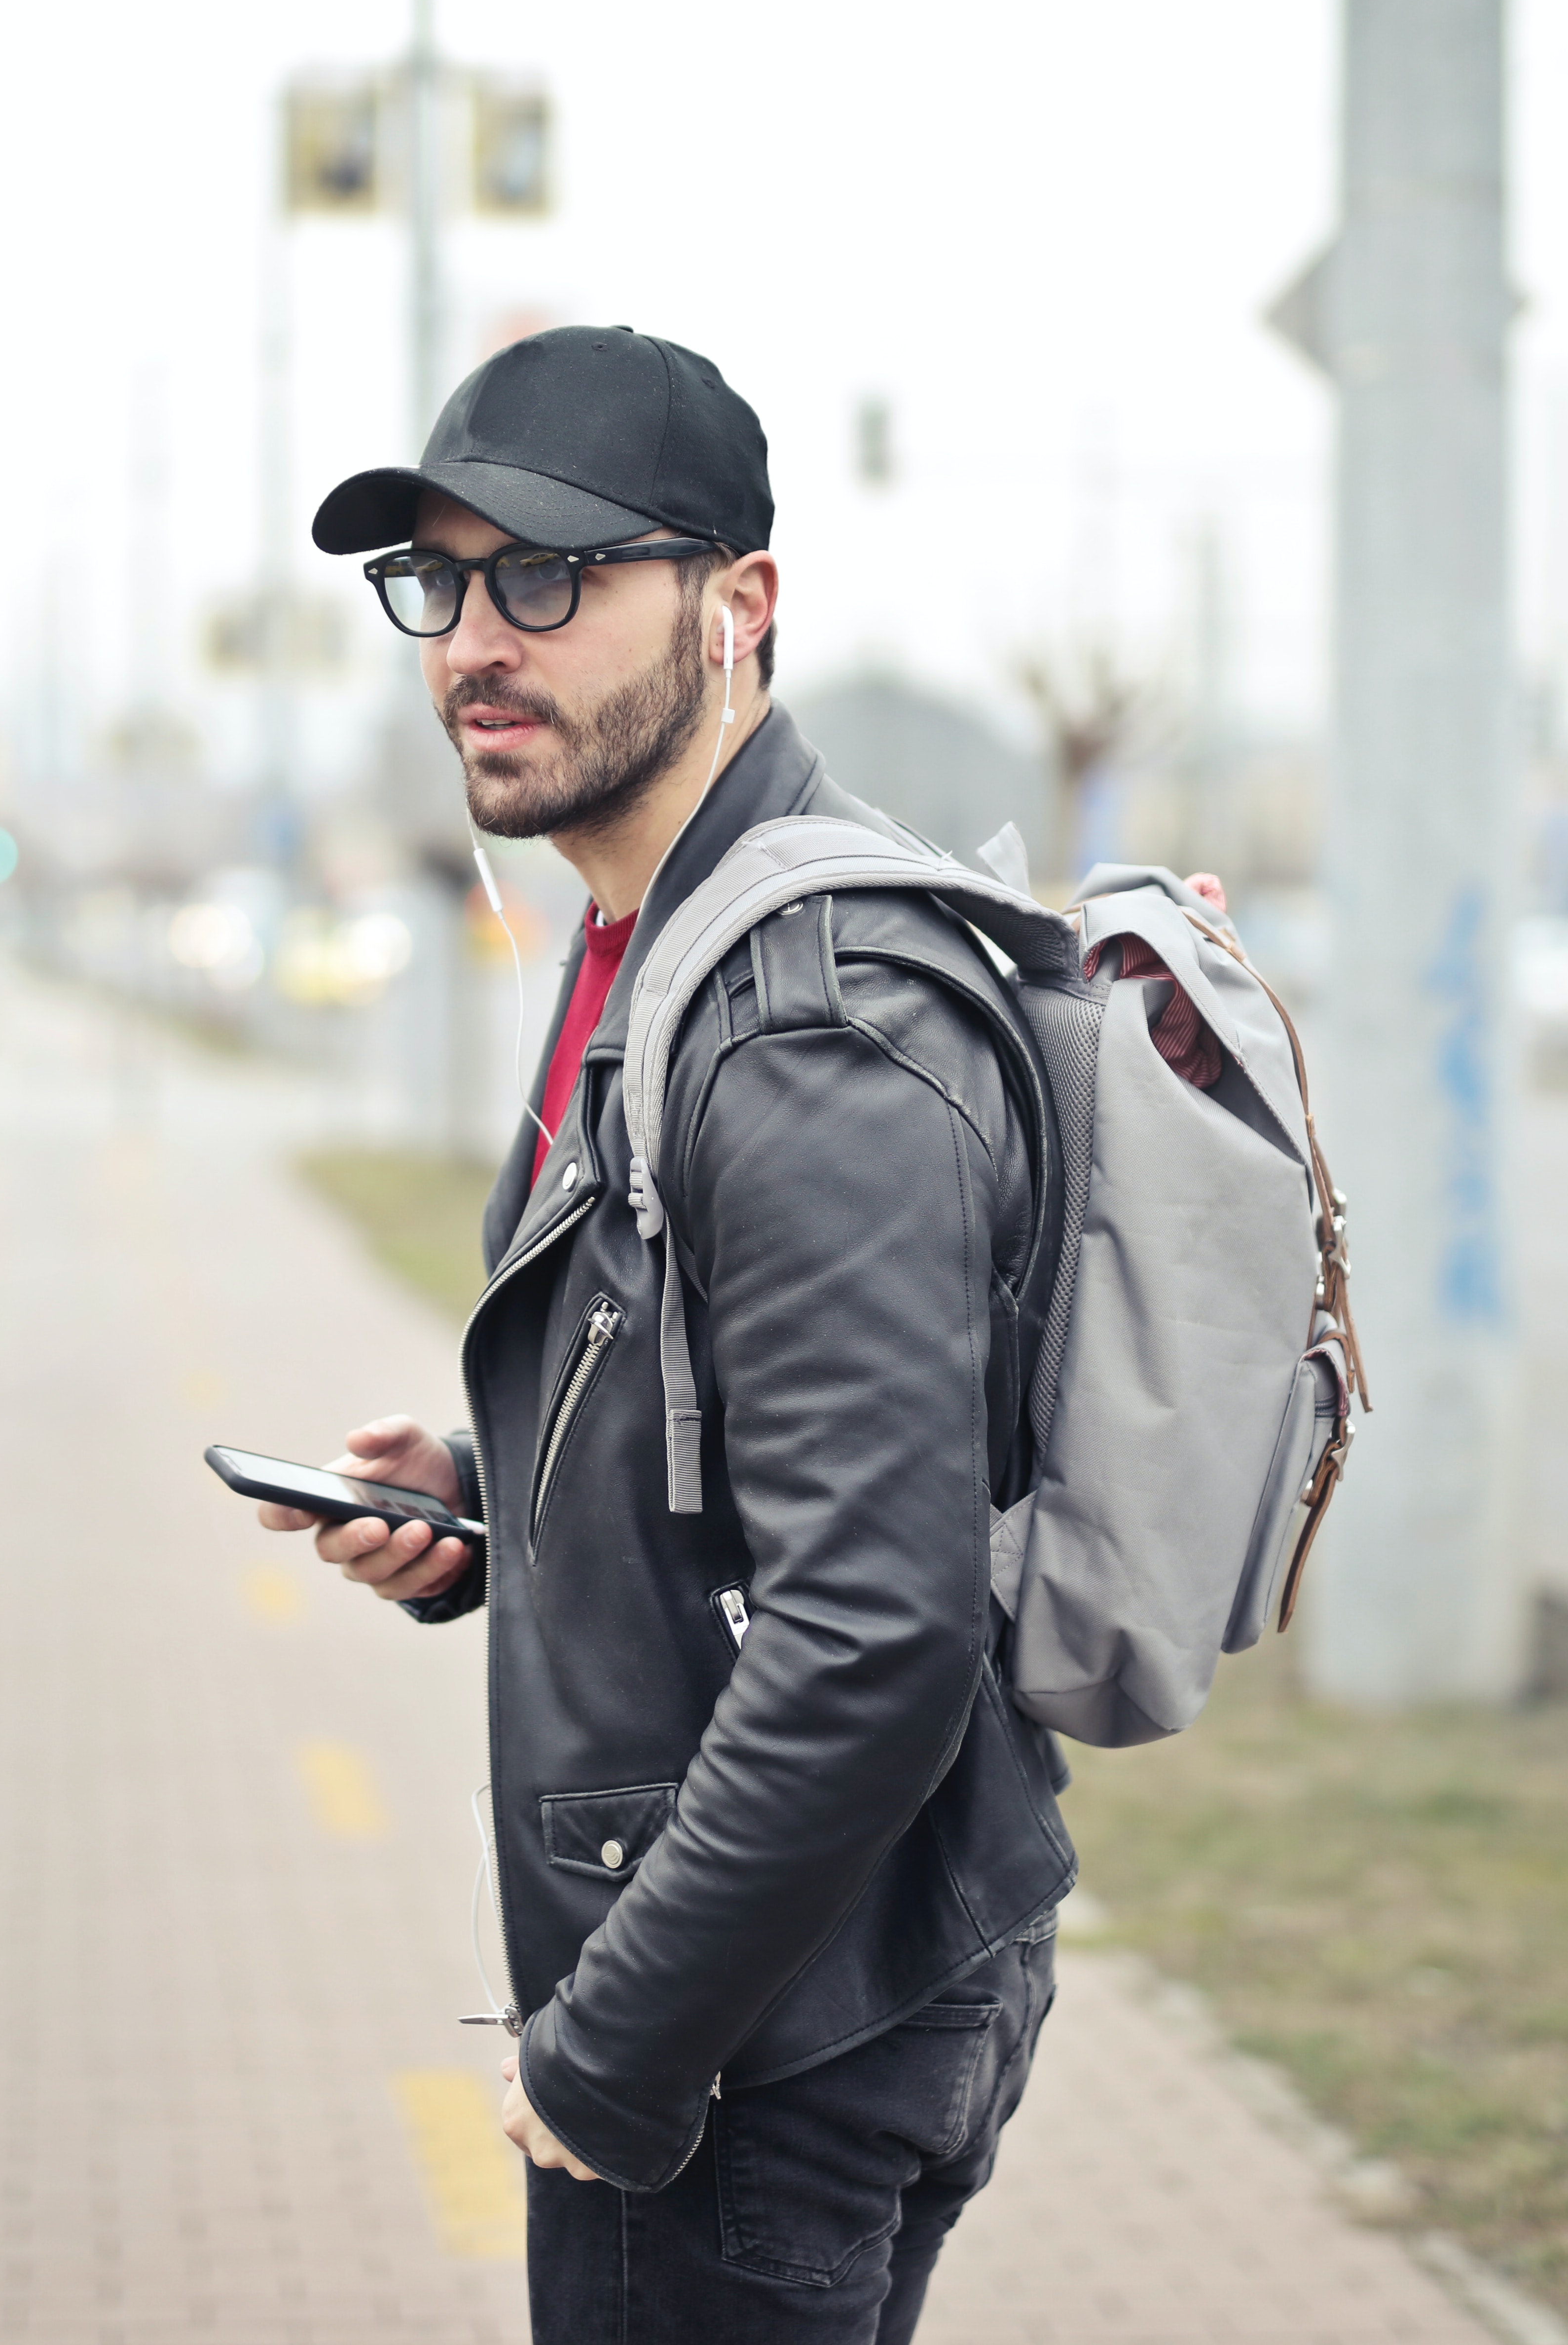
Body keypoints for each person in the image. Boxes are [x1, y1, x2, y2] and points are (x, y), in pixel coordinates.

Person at [260, 326, 1072, 2342]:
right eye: (437, 583)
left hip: (758, 2038)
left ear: (739, 607)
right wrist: (488, 1517)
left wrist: (611, 2047)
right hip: (778, 1985)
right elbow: (746, 1446)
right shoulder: (657, 936)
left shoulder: (803, 1025)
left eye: (549, 575)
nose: (473, 640)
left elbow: (875, 1626)